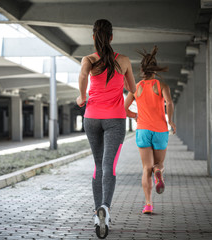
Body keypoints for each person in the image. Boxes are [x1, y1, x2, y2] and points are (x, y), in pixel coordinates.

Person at [76, 19, 136, 239]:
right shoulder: (125, 61)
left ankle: (96, 213)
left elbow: (83, 75)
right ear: (112, 37)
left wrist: (82, 97)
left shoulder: (88, 60)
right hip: (115, 120)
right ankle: (105, 208)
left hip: (91, 118)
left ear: (94, 37)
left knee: (98, 165)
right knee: (109, 165)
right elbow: (133, 89)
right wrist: (124, 96)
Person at [124, 46, 176, 214]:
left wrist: (135, 115)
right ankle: (158, 172)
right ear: (155, 68)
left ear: (141, 69)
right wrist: (171, 121)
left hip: (143, 131)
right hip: (160, 130)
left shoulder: (136, 88)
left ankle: (148, 204)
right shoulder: (162, 86)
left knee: (145, 168)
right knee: (158, 163)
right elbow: (170, 103)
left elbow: (124, 109)